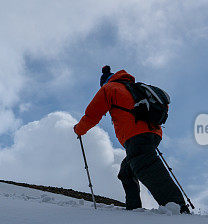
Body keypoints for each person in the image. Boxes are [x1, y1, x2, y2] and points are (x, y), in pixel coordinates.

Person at [73, 65, 191, 213]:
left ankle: (177, 207)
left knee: (145, 166)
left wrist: (79, 129)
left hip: (136, 135)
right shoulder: (133, 88)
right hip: (153, 132)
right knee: (126, 172)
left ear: (104, 82)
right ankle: (134, 210)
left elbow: (92, 115)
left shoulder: (109, 88)